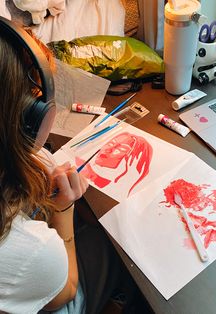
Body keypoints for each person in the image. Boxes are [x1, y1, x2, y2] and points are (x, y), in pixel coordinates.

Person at [0, 17, 135, 314]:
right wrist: (63, 210)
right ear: (27, 118)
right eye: (49, 99)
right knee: (114, 246)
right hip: (52, 292)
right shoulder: (29, 250)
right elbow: (64, 291)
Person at [75, 131, 153, 197]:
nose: (108, 150)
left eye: (120, 149)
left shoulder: (114, 191)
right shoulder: (79, 164)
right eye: (110, 144)